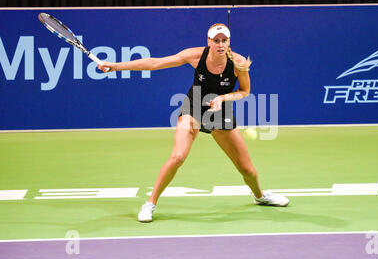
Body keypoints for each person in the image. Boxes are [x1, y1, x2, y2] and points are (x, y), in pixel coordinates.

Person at [98, 23, 289, 222]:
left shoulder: (239, 63)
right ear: (209, 42)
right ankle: (150, 204)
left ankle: (260, 196)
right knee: (178, 157)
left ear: (229, 42)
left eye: (224, 40)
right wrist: (116, 66)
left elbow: (244, 91)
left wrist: (222, 99)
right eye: (216, 40)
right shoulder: (196, 56)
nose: (220, 44)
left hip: (220, 111)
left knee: (247, 170)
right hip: (194, 107)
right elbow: (155, 63)